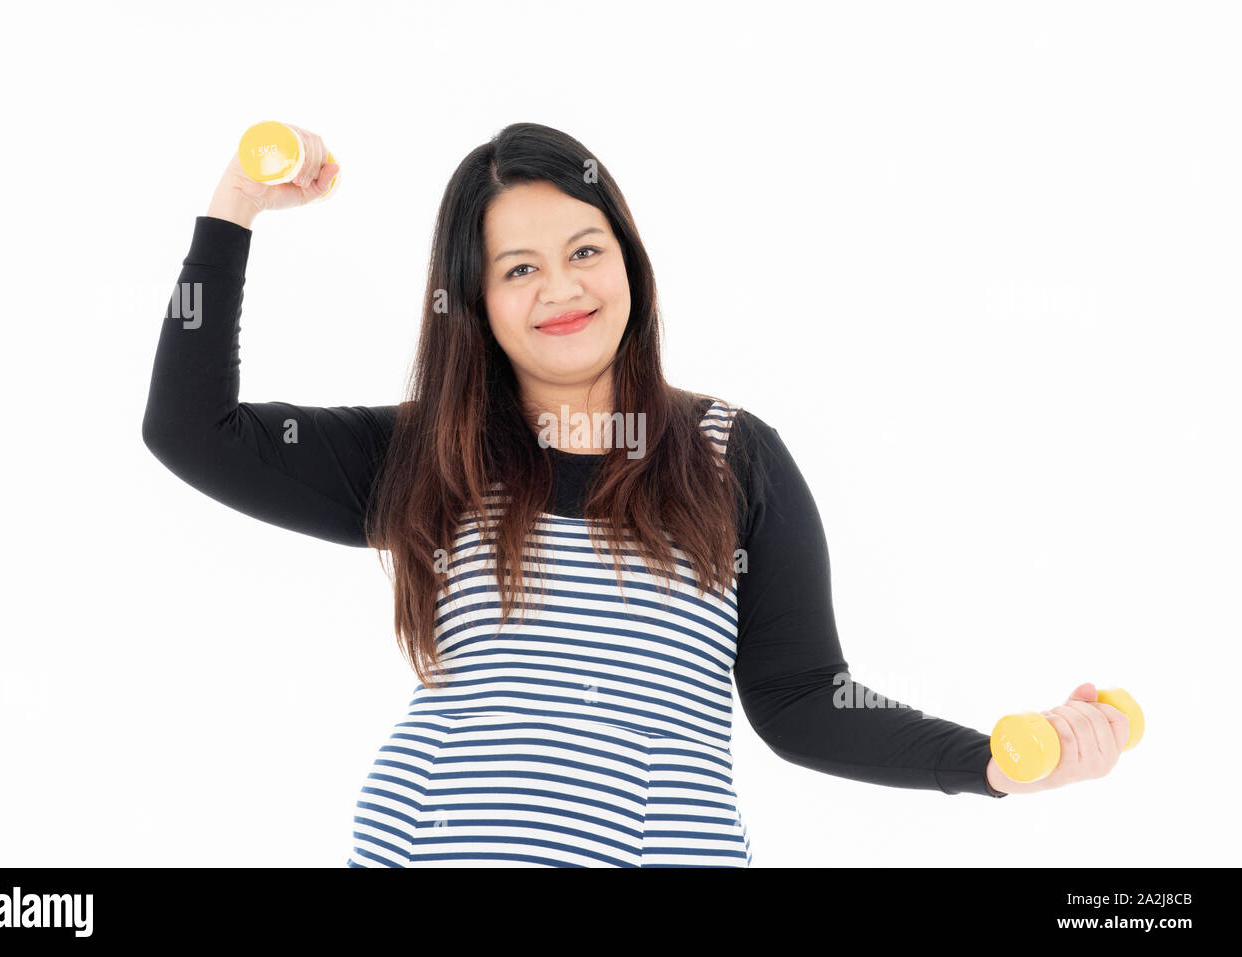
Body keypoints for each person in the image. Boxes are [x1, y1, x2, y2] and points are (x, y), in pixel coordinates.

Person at [142, 121, 1131, 868]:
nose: (560, 289)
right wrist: (235, 203)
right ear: (475, 305)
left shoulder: (728, 457)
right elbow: (188, 431)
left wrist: (995, 762)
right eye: (516, 269)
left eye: (583, 251)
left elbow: (803, 699)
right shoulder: (427, 454)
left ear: (628, 262)